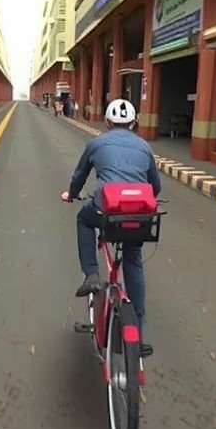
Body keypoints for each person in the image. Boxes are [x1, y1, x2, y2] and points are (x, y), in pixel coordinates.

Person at [61, 99, 161, 356]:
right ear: (134, 124)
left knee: (83, 219)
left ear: (107, 122)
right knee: (133, 259)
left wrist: (71, 194)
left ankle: (91, 275)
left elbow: (79, 176)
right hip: (138, 215)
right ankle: (138, 333)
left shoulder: (96, 143)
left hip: (106, 212)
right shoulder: (144, 147)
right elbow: (156, 186)